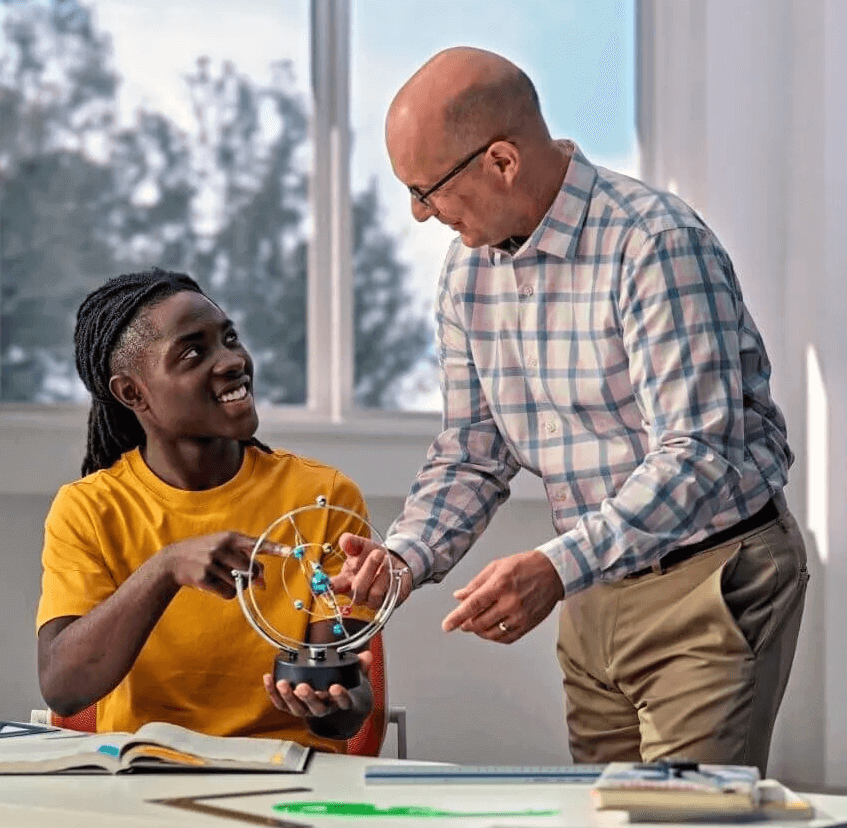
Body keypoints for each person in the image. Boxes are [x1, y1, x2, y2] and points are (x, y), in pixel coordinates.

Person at [332, 46, 808, 773]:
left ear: (501, 161)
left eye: (426, 190)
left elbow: (697, 454)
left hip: (708, 574)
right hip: (594, 586)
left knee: (679, 819)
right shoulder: (467, 273)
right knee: (601, 815)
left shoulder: (653, 244)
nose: (419, 214)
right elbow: (473, 449)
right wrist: (402, 558)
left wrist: (556, 569)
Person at [36, 268, 374, 751]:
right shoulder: (88, 509)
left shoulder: (324, 498)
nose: (233, 360)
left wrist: (334, 701)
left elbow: (344, 715)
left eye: (230, 339)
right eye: (194, 352)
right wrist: (166, 568)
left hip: (293, 774)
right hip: (145, 774)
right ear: (132, 392)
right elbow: (64, 690)